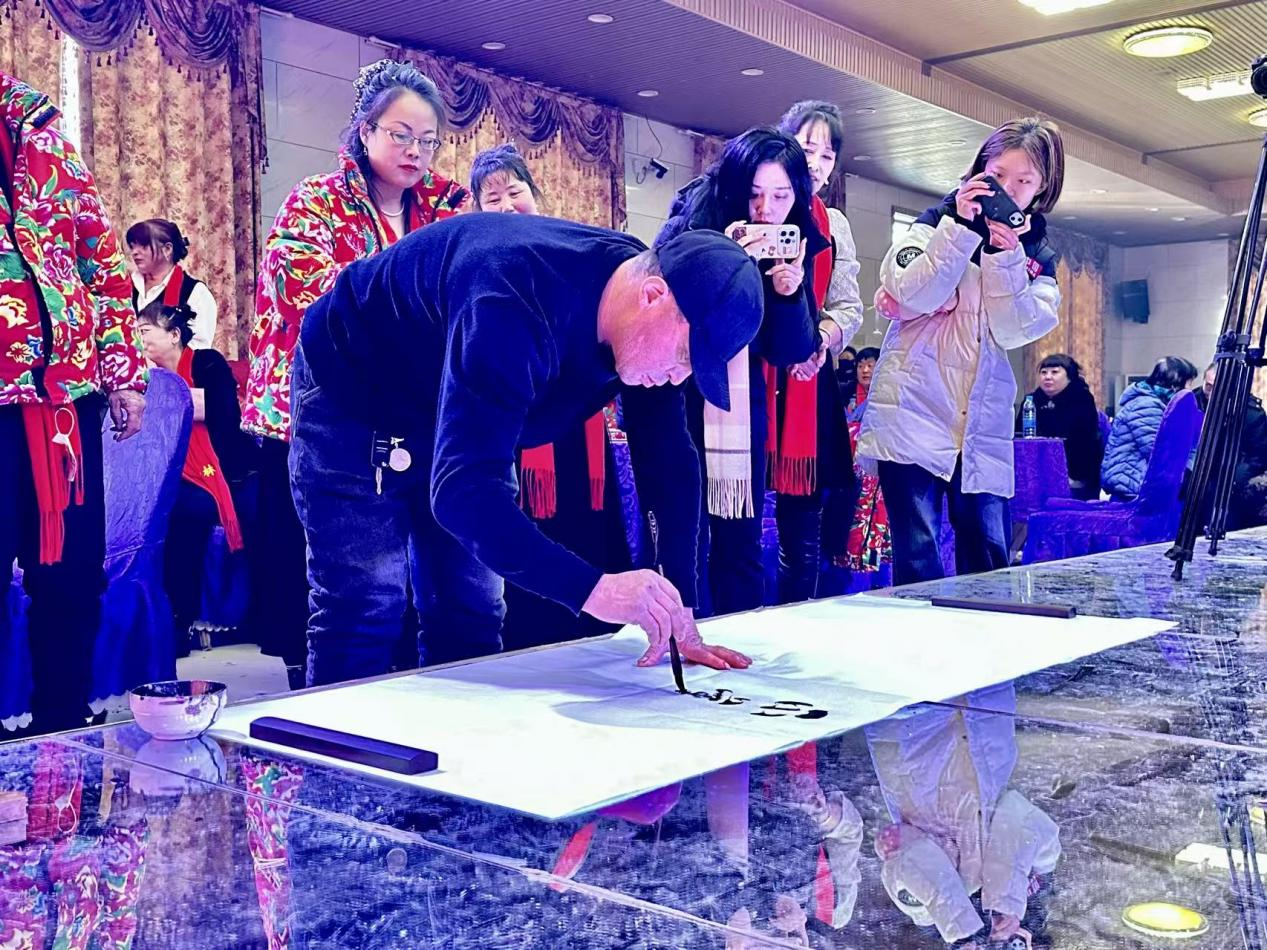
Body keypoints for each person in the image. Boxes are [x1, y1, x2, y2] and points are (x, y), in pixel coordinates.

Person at [291, 212, 762, 685]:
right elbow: (464, 492)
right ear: (653, 295)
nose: (680, 376)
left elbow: (669, 462)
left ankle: (452, 731)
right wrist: (595, 590)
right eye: (684, 356)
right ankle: (326, 737)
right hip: (355, 391)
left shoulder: (643, 310)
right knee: (365, 607)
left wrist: (678, 609)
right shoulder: (512, 299)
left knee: (471, 609)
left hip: (456, 396)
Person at [242, 59, 467, 688]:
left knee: (463, 601)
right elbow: (311, 299)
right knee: (359, 599)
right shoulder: (314, 202)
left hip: (428, 420)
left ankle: (457, 724)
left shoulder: (451, 211)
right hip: (337, 421)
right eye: (400, 135)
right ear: (365, 131)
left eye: (428, 141)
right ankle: (331, 732)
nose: (416, 152)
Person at [857, 117, 1065, 585]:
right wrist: (960, 229)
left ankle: (989, 634)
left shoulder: (1038, 255)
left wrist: (1005, 259)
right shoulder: (936, 222)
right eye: (998, 174)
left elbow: (1014, 330)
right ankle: (917, 632)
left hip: (982, 421)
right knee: (917, 553)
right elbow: (909, 291)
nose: (1007, 189)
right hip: (912, 411)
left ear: (1042, 188)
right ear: (978, 169)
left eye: (1024, 181)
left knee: (989, 555)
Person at [0, 70, 146, 736]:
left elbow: (103, 267)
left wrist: (123, 373)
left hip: (65, 401)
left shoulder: (43, 132)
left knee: (72, 574)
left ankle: (63, 728)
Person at [468, 143, 629, 649]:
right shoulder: (480, 265)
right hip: (514, 423)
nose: (507, 205)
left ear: (535, 195)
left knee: (584, 524)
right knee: (521, 523)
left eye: (515, 192)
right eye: (492, 199)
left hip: (576, 424)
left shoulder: (566, 252)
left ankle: (590, 629)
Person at [656, 127, 821, 617]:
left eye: (781, 196)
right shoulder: (697, 219)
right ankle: (678, 637)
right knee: (684, 538)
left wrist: (789, 294)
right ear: (734, 189)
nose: (766, 210)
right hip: (680, 396)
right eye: (754, 195)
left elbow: (790, 351)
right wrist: (727, 264)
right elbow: (662, 302)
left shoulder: (794, 238)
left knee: (741, 539)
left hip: (741, 404)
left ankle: (740, 642)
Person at [775, 100, 863, 604]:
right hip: (754, 376)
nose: (816, 163)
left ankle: (795, 611)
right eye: (807, 148)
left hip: (808, 377)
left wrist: (821, 341)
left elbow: (848, 306)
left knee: (804, 514)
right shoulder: (753, 210)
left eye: (827, 155)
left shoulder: (834, 224)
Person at [138, 304, 257, 656]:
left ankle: (181, 620)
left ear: (174, 335)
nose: (139, 339)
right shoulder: (142, 377)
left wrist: (166, 401)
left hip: (224, 472)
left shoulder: (206, 363)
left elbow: (225, 411)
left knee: (184, 513)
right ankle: (159, 621)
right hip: (167, 475)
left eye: (145, 331)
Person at [1101, 356, 1198, 501]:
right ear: (1175, 383)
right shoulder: (1146, 405)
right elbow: (1159, 451)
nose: (1190, 389)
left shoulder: (1156, 403)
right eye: (1189, 382)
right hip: (1132, 487)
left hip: (1134, 483)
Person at [1016, 353, 1102, 500]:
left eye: (1055, 372)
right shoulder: (1032, 401)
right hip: (1036, 474)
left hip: (1076, 474)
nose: (1048, 377)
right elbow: (1020, 433)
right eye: (1044, 372)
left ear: (1069, 376)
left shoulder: (1082, 398)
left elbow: (1084, 440)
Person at [127, 219, 217, 349]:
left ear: (167, 249)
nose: (134, 252)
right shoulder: (124, 286)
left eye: (144, 246)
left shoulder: (195, 292)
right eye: (132, 246)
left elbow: (198, 347)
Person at [846, 346, 879, 424]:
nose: (865, 370)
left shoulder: (887, 393)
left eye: (870, 366)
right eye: (860, 366)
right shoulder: (844, 391)